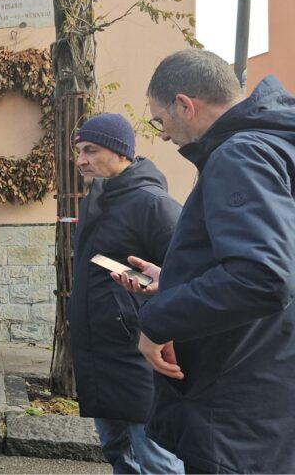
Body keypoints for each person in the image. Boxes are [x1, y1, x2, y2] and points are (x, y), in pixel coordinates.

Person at [114, 49, 295, 473]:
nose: (160, 136)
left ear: (185, 105)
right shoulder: (276, 145)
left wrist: (157, 320)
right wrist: (177, 278)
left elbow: (263, 276)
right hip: (269, 392)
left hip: (237, 409)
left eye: (160, 120)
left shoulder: (240, 155)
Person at [67, 113, 183, 474]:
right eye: (79, 150)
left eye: (91, 150)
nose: (81, 159)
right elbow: (110, 265)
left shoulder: (154, 204)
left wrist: (141, 300)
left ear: (121, 154)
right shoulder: (96, 199)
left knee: (156, 460)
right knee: (117, 452)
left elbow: (186, 279)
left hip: (136, 356)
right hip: (98, 356)